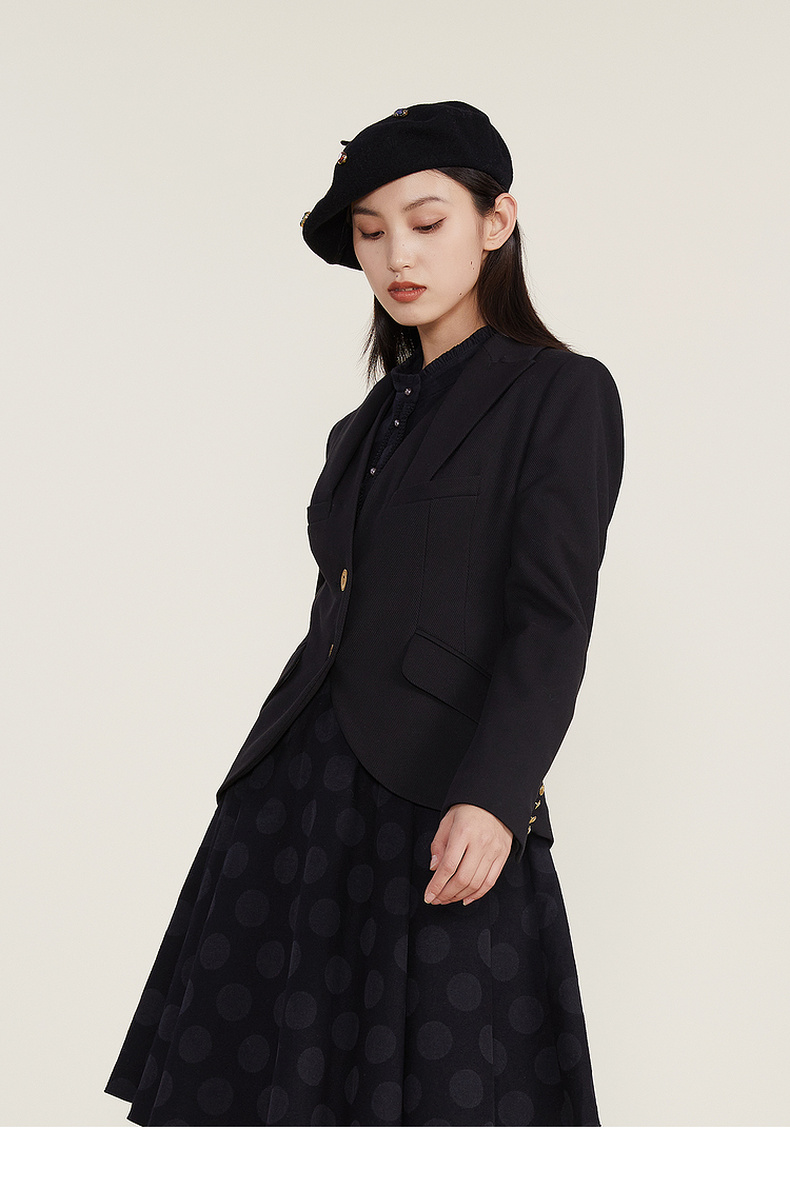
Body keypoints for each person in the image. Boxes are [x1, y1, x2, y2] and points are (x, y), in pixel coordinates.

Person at [104, 101, 625, 1127]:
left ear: (496, 220)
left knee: (445, 1099)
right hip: (296, 796)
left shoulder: (559, 392)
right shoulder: (361, 424)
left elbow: (552, 620)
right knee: (264, 1098)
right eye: (371, 231)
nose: (398, 255)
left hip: (439, 790)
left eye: (426, 222)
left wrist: (495, 794)